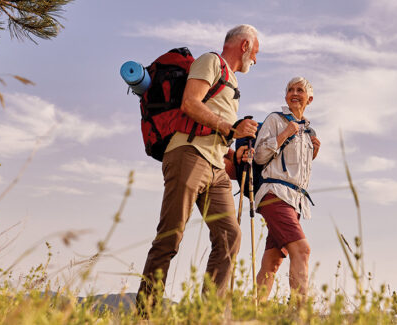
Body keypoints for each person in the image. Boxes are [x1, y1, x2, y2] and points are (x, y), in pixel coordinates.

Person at [137, 24, 261, 307]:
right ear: (244, 45)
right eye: (255, 52)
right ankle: (145, 314)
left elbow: (215, 127)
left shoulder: (232, 82)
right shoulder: (211, 62)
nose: (255, 59)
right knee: (170, 236)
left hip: (216, 167)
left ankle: (209, 313)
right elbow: (190, 104)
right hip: (188, 154)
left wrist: (234, 154)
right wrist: (232, 128)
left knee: (229, 236)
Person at [251, 77, 320, 302]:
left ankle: (254, 310)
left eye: (300, 90)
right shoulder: (275, 120)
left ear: (309, 99)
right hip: (274, 195)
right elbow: (259, 157)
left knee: (273, 261)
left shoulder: (309, 132)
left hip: (295, 201)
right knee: (302, 249)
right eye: (290, 89)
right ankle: (300, 312)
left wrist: (313, 153)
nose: (294, 93)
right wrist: (284, 134)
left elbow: (296, 171)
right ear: (285, 96)